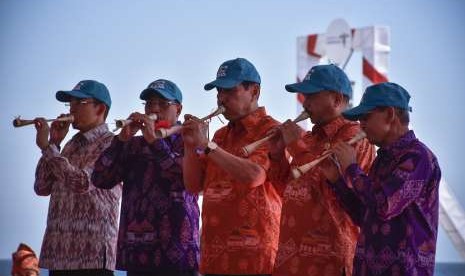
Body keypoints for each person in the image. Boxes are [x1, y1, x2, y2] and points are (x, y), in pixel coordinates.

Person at [321, 82, 441, 276]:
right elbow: (365, 215)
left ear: (390, 114)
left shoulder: (418, 157)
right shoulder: (382, 160)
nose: (362, 125)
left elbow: (385, 205)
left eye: (366, 117)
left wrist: (351, 167)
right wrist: (337, 180)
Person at [268, 64, 375, 276]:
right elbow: (288, 192)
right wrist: (277, 155)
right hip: (290, 263)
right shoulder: (308, 138)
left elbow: (334, 190)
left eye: (311, 96)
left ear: (336, 100)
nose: (304, 103)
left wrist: (296, 146)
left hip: (329, 262)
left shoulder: (354, 137)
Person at [182, 58, 282, 276]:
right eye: (219, 91)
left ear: (254, 92)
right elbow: (193, 186)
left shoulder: (272, 130)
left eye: (229, 90)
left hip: (254, 261)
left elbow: (254, 176)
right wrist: (190, 148)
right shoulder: (220, 135)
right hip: (214, 259)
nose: (221, 98)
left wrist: (207, 145)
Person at [92, 79, 200, 276]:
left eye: (162, 103)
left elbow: (182, 177)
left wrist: (154, 142)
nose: (154, 108)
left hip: (178, 254)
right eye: (150, 103)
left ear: (179, 109)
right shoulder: (133, 145)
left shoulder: (190, 140)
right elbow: (100, 178)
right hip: (136, 254)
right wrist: (120, 140)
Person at [33, 80, 122, 276]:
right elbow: (41, 187)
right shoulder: (70, 145)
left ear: (100, 108)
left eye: (79, 103)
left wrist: (47, 149)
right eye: (70, 103)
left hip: (92, 257)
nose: (72, 108)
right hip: (59, 255)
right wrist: (54, 142)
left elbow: (82, 183)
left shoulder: (111, 143)